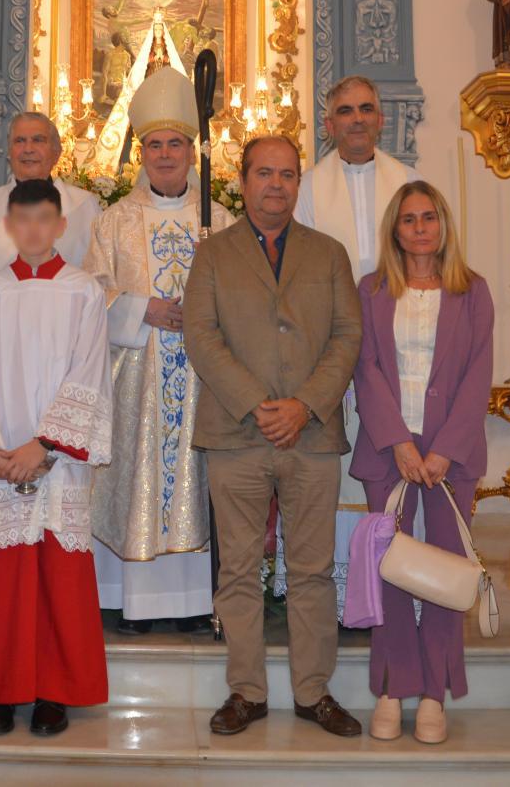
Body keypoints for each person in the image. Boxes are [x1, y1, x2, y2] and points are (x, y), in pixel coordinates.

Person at [184, 135, 363, 738]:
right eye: (266, 173)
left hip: (310, 436)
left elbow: (347, 337)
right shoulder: (213, 254)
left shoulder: (329, 253)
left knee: (312, 569)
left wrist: (305, 405)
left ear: (297, 183)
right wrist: (260, 405)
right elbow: (200, 336)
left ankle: (314, 693)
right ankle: (247, 691)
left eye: (288, 175)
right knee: (237, 570)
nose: (277, 185)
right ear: (245, 179)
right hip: (236, 434)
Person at [0, 178, 113, 738]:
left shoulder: (85, 291)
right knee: (2, 582)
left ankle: (52, 692)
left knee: (57, 581)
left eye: (46, 219)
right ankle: (0, 691)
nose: (35, 230)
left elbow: (88, 373)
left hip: (56, 462)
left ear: (61, 225)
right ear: (10, 227)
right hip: (1, 461)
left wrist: (43, 446)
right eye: (25, 220)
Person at [84, 67, 234, 635]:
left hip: (201, 380)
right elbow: (92, 290)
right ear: (139, 152)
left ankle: (195, 600)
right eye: (154, 144)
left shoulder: (219, 221)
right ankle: (133, 601)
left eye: (175, 143)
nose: (165, 154)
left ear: (193, 153)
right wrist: (143, 308)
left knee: (196, 481)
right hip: (136, 377)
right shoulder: (113, 221)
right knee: (138, 477)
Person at [350, 180, 493, 744]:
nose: (419, 228)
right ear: (395, 229)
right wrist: (400, 443)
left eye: (428, 217)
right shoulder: (371, 289)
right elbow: (366, 370)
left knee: (443, 575)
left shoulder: (472, 291)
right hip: (390, 452)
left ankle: (434, 693)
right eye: (408, 219)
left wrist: (442, 449)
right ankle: (392, 687)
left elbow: (478, 375)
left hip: (450, 457)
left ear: (443, 225)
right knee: (391, 573)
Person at [288, 76, 418, 619]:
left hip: (402, 351)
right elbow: (300, 273)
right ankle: (347, 596)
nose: (357, 119)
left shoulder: (409, 182)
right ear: (328, 123)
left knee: (400, 457)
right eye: (345, 111)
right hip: (333, 347)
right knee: (338, 471)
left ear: (381, 119)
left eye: (367, 109)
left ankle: (405, 585)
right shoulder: (310, 187)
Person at [0, 112, 101, 274]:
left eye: (38, 140)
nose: (28, 149)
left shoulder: (85, 206)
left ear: (56, 153)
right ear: (9, 152)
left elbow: (98, 272)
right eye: (19, 141)